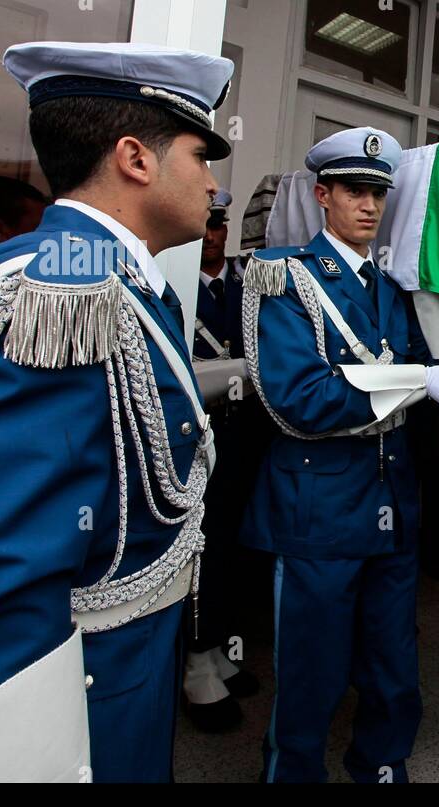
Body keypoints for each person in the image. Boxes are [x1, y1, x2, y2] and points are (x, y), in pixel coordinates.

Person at [0, 41, 234, 782]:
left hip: (127, 669)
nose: (213, 186)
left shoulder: (120, 284)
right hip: (75, 704)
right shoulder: (56, 293)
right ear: (136, 159)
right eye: (203, 157)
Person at [239, 127, 439, 783]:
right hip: (319, 506)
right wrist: (413, 383)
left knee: (393, 663)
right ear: (322, 194)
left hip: (390, 502)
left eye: (379, 192)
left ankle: (382, 764)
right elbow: (297, 399)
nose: (369, 205)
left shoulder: (395, 285)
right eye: (354, 190)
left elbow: (438, 362)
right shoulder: (283, 278)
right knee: (310, 673)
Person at [182, 187, 263, 732]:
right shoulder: (176, 286)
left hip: (244, 434)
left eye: (221, 226)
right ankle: (194, 662)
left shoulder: (244, 283)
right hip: (199, 439)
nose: (215, 236)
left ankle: (218, 647)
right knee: (201, 550)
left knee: (233, 546)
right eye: (208, 226)